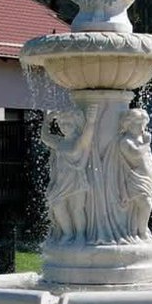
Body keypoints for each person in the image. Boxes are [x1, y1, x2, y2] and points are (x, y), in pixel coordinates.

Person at [41, 104, 99, 242]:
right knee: (56, 205)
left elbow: (87, 137)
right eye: (62, 123)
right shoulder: (59, 142)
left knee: (77, 209)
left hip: (76, 181)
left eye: (68, 123)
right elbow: (45, 137)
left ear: (75, 124)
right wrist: (47, 121)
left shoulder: (78, 142)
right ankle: (68, 233)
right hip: (61, 183)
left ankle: (79, 235)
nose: (65, 126)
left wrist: (91, 121)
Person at [117, 108, 152, 239]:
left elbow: (148, 157)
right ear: (128, 124)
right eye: (137, 124)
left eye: (143, 124)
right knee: (145, 204)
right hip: (135, 178)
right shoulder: (125, 141)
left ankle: (136, 230)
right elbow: (135, 155)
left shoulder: (142, 139)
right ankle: (142, 231)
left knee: (142, 205)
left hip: (146, 178)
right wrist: (147, 143)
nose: (141, 127)